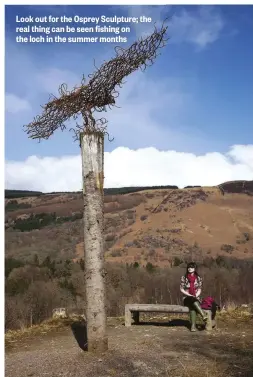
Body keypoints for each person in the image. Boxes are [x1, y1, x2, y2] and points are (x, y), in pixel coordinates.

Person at [180, 262, 208, 332]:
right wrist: (190, 295)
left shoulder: (198, 278)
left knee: (192, 307)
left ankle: (193, 327)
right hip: (186, 298)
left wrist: (196, 295)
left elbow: (199, 289)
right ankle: (203, 315)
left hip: (195, 298)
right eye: (189, 267)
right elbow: (181, 289)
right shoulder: (184, 278)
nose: (190, 269)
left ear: (195, 269)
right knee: (192, 301)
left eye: (192, 267)